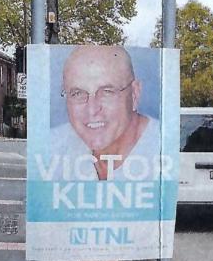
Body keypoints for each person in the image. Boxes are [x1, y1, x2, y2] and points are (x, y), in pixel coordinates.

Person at [51, 45, 161, 181]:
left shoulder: (164, 147)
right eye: (77, 93)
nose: (92, 110)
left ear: (134, 94)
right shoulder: (51, 147)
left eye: (107, 92)